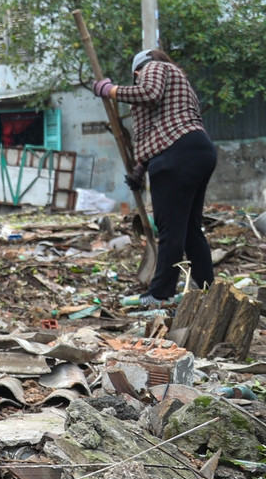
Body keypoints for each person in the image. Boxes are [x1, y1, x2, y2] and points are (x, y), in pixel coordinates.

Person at [93, 49, 217, 308]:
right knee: (190, 229)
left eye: (136, 78)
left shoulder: (154, 68)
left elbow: (149, 94)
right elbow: (158, 130)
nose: (139, 81)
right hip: (196, 151)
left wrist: (111, 90)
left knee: (171, 228)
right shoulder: (177, 84)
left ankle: (159, 294)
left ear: (138, 71)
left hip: (177, 155)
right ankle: (208, 290)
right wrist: (140, 171)